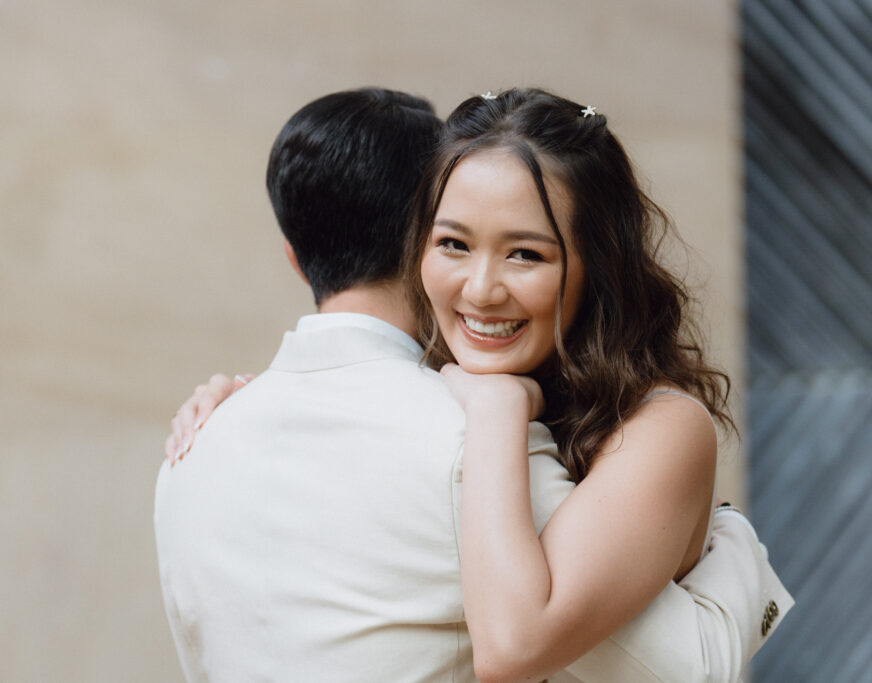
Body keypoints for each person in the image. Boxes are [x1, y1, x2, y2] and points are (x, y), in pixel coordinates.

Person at [155, 87, 792, 683]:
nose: (481, 289)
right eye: (454, 244)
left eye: (526, 254)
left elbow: (683, 667)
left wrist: (728, 534)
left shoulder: (649, 425)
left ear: (597, 265)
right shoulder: (440, 409)